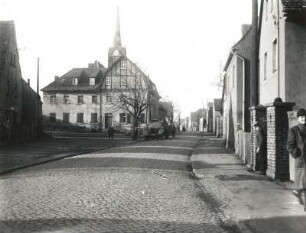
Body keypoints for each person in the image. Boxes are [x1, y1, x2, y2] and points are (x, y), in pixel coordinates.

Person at [287, 108, 306, 211]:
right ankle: (298, 191)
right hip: (301, 160)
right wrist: (296, 153)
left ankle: (297, 191)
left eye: (305, 117)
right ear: (298, 118)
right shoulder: (293, 130)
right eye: (302, 117)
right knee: (304, 183)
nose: (304, 119)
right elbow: (290, 145)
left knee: (303, 184)